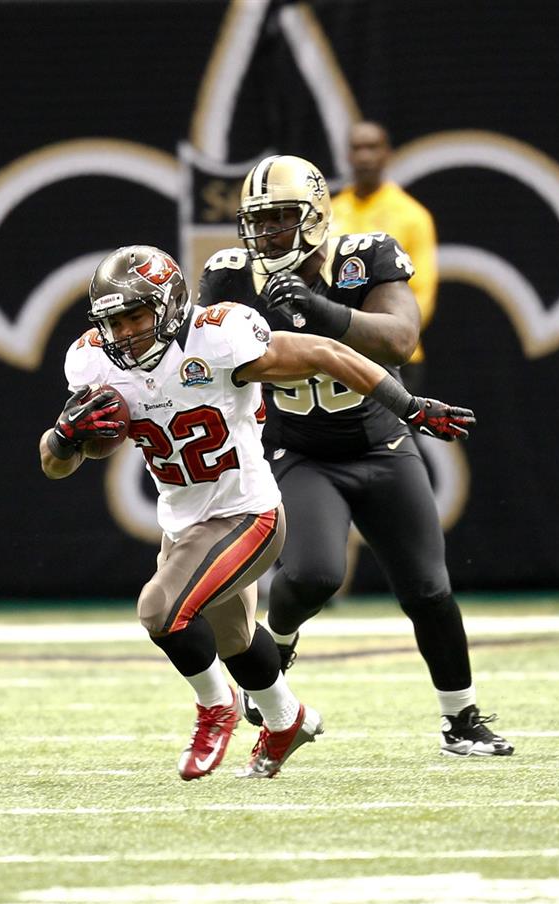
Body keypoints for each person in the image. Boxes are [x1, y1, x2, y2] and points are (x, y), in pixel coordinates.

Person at [39, 244, 477, 780]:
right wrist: (65, 438)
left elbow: (325, 354)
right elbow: (56, 466)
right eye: (115, 320)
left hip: (248, 512)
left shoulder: (219, 335)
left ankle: (215, 707)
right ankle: (287, 718)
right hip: (182, 521)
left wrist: (410, 408)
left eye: (137, 315)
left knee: (160, 611)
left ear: (171, 304)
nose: (126, 332)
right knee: (238, 642)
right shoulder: (93, 360)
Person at [198, 155, 514, 757]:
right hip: (300, 450)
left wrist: (323, 311)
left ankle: (461, 719)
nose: (266, 234)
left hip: (383, 445)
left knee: (427, 590)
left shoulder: (364, 255)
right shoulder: (230, 276)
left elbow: (400, 339)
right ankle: (282, 637)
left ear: (316, 217)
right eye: (258, 222)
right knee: (315, 574)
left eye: (282, 219)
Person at [331, 121, 438, 393]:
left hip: (396, 356)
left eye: (372, 147)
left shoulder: (412, 216)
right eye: (357, 148)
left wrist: (385, 335)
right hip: (339, 353)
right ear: (347, 155)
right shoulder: (330, 213)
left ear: (387, 153)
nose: (364, 156)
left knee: (396, 435)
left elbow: (422, 295)